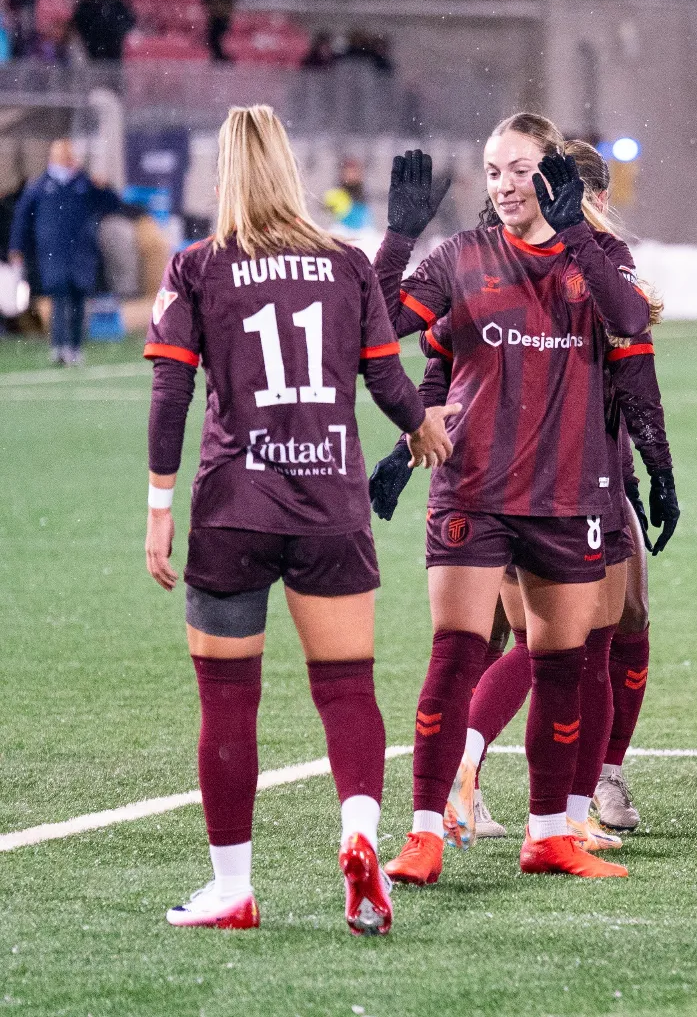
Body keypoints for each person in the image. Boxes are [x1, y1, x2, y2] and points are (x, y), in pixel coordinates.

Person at [141, 104, 455, 933]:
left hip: (234, 509)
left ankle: (233, 888)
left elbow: (172, 391)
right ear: (290, 170)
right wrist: (422, 428)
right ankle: (358, 836)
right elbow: (388, 380)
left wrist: (159, 507)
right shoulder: (346, 263)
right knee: (348, 689)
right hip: (330, 507)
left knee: (229, 702)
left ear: (224, 176)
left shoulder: (198, 266)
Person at [369, 114, 656, 884]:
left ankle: (548, 835)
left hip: (568, 495)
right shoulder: (460, 257)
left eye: (518, 168)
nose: (502, 184)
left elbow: (630, 325)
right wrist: (398, 240)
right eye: (492, 169)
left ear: (551, 174)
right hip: (476, 491)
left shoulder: (596, 260)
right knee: (455, 657)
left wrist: (578, 238)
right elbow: (376, 324)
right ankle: (425, 831)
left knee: (563, 666)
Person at [430, 139, 674, 847]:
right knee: (599, 635)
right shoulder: (591, 262)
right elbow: (633, 370)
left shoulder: (489, 259)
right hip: (574, 484)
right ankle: (585, 788)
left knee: (520, 641)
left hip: (491, 478)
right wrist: (658, 467)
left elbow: (441, 357)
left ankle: (483, 782)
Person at [11, 139, 121, 366]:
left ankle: (75, 347)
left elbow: (112, 204)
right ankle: (59, 346)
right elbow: (23, 218)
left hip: (81, 252)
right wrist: (17, 247)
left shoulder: (84, 183)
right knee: (59, 300)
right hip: (53, 252)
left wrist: (104, 187)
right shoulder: (40, 185)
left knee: (79, 300)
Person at [70, 0, 135, 63]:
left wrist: (115, 32)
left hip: (113, 53)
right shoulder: (84, 4)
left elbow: (128, 22)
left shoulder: (116, 3)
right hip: (90, 53)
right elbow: (78, 25)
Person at [323, 158, 371, 230]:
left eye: (353, 172)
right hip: (342, 232)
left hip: (361, 233)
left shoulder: (365, 195)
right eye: (348, 172)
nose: (351, 175)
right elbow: (327, 215)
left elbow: (367, 222)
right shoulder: (336, 194)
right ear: (342, 174)